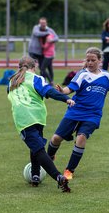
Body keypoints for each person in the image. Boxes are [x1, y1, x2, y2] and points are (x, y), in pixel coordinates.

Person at [47, 47, 109, 180]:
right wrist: (62, 91)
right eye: (88, 60)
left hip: (93, 115)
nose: (90, 63)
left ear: (100, 61)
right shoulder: (82, 74)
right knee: (56, 139)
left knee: (81, 138)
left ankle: (69, 170)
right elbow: (69, 89)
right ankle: (49, 159)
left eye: (93, 60)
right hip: (75, 111)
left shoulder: (106, 76)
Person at [7, 55, 74, 192]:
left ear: (19, 67)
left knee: (37, 148)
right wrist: (66, 99)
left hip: (23, 118)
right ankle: (42, 176)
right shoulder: (36, 78)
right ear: (34, 67)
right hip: (37, 116)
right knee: (37, 148)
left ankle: (51, 177)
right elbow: (48, 91)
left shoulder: (12, 81)